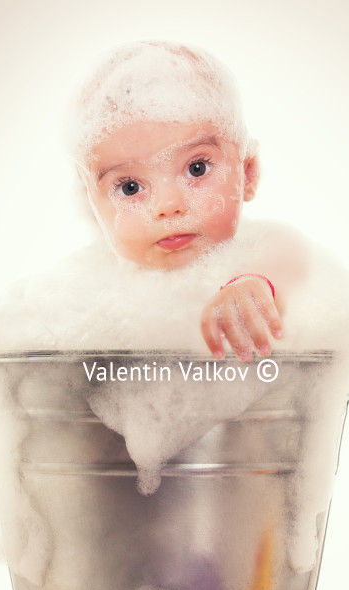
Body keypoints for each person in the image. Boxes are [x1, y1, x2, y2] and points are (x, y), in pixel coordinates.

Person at [69, 40, 310, 362]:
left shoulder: (256, 251)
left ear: (247, 175)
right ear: (91, 205)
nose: (168, 206)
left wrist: (255, 283)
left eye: (196, 169)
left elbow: (292, 259)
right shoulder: (86, 282)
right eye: (129, 187)